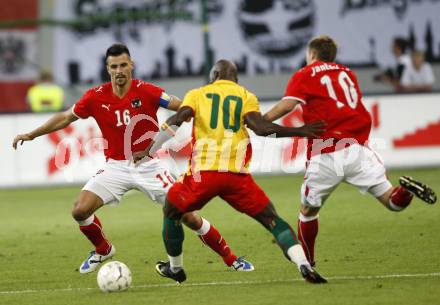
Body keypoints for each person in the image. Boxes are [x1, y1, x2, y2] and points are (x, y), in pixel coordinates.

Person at [12, 44, 254, 274]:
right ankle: (103, 250)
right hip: (115, 167)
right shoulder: (95, 97)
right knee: (79, 210)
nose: (119, 71)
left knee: (187, 215)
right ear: (107, 69)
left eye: (123, 65)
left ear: (131, 65)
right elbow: (66, 117)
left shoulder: (148, 91)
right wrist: (32, 134)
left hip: (150, 165)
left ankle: (231, 259)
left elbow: (181, 107)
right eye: (114, 66)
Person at [145, 59, 328, 284]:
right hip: (236, 176)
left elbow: (178, 118)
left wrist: (150, 148)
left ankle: (175, 268)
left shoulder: (197, 93)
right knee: (272, 220)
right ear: (236, 78)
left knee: (171, 210)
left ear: (213, 76)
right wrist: (300, 130)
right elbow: (262, 129)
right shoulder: (245, 95)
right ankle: (303, 264)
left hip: (204, 173)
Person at [263, 35, 437, 267]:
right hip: (358, 149)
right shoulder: (348, 73)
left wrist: (262, 121)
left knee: (307, 212)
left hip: (326, 151)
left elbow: (288, 105)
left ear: (312, 54)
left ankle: (308, 264)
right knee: (393, 202)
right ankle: (406, 191)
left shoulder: (305, 74)